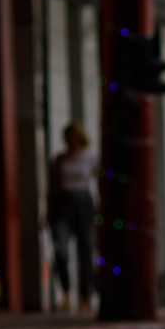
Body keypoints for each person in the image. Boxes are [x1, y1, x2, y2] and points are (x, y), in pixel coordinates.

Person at [49, 120, 99, 315]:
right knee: (60, 249)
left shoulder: (90, 157)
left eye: (74, 138)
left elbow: (100, 178)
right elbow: (52, 186)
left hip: (83, 202)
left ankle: (85, 296)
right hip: (63, 203)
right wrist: (48, 210)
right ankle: (66, 293)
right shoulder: (59, 159)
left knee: (85, 250)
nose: (71, 142)